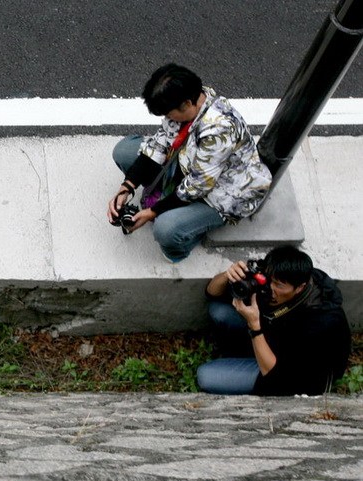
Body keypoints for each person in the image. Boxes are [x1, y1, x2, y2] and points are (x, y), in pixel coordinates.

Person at [107, 63, 272, 262]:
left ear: (186, 104)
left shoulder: (219, 130)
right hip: (188, 164)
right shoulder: (192, 101)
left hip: (222, 192)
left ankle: (181, 247)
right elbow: (159, 145)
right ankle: (173, 202)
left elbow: (196, 187)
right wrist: (127, 187)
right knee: (124, 152)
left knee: (165, 229)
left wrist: (153, 212)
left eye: (168, 114)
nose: (167, 119)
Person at [197, 246, 351, 396]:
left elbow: (274, 375)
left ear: (300, 288)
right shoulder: (277, 275)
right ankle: (246, 351)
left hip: (291, 374)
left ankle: (248, 355)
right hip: (273, 335)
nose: (269, 289)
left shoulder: (321, 323)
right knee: (218, 310)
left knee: (205, 375)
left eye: (279, 285)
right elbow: (212, 293)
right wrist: (227, 275)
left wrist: (254, 326)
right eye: (269, 280)